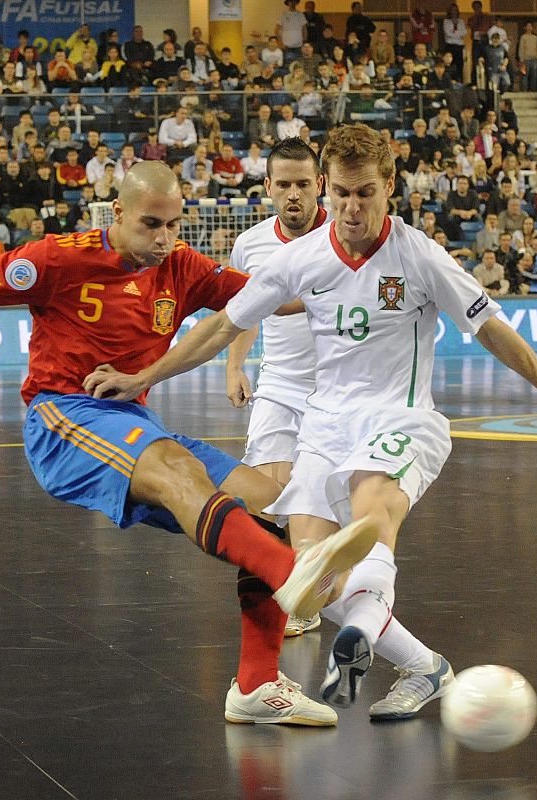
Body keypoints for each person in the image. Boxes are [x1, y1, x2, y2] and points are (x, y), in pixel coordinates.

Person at [0, 162, 368, 727]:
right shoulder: (56, 259)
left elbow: (278, 298)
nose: (165, 239)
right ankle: (298, 575)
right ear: (119, 211)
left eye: (174, 224)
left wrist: (356, 270)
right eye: (151, 225)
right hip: (64, 418)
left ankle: (258, 684)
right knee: (177, 468)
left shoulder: (183, 268)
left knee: (271, 507)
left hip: (134, 421)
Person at [84, 125, 537, 719]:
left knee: (372, 507)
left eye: (365, 193)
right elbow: (222, 326)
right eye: (340, 194)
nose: (351, 208)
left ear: (389, 186)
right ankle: (422, 665)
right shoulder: (299, 259)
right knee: (308, 575)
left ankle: (356, 641)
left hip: (402, 416)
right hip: (323, 427)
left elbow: (489, 326)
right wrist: (143, 376)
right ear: (325, 189)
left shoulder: (419, 255)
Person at [224, 138, 330, 636]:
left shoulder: (346, 234)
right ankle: (287, 595)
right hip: (281, 383)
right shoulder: (251, 244)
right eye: (283, 184)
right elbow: (244, 313)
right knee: (266, 494)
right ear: (267, 187)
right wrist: (234, 367)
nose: (293, 194)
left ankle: (315, 591)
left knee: (319, 501)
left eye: (303, 185)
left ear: (320, 186)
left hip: (338, 391)